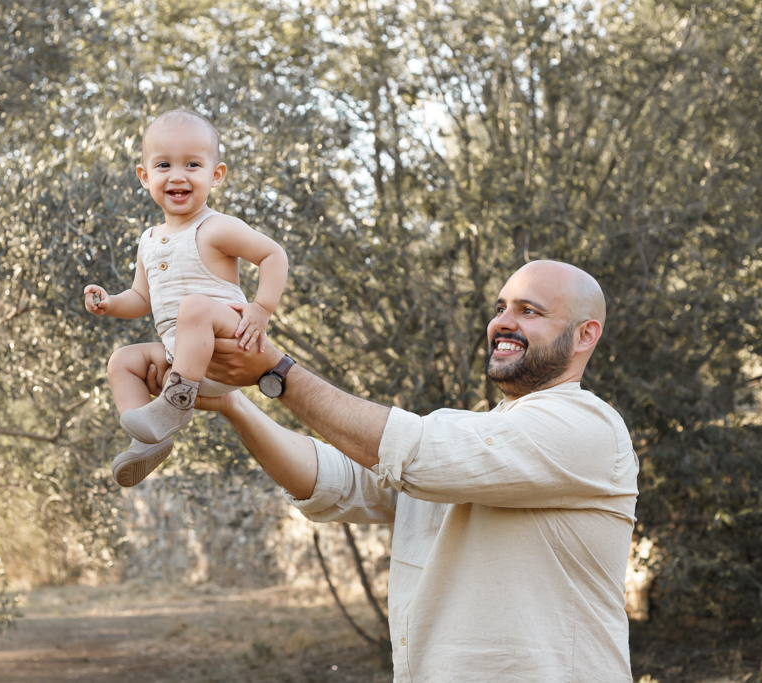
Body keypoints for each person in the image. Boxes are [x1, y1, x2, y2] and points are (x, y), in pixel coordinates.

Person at [190, 260, 638, 682]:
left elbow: (420, 457)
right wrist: (233, 403)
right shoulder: (464, 433)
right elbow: (331, 481)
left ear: (585, 335)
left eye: (529, 310)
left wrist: (276, 369)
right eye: (500, 308)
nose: (502, 321)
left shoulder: (587, 428)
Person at [84, 109, 288, 487]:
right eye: (164, 165)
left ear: (216, 175)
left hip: (228, 339)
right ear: (145, 177)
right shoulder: (148, 241)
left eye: (192, 164)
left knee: (192, 307)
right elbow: (140, 299)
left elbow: (273, 254)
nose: (177, 175)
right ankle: (145, 438)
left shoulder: (215, 227)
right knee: (122, 361)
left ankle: (172, 407)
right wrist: (111, 302)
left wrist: (261, 309)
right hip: (187, 362)